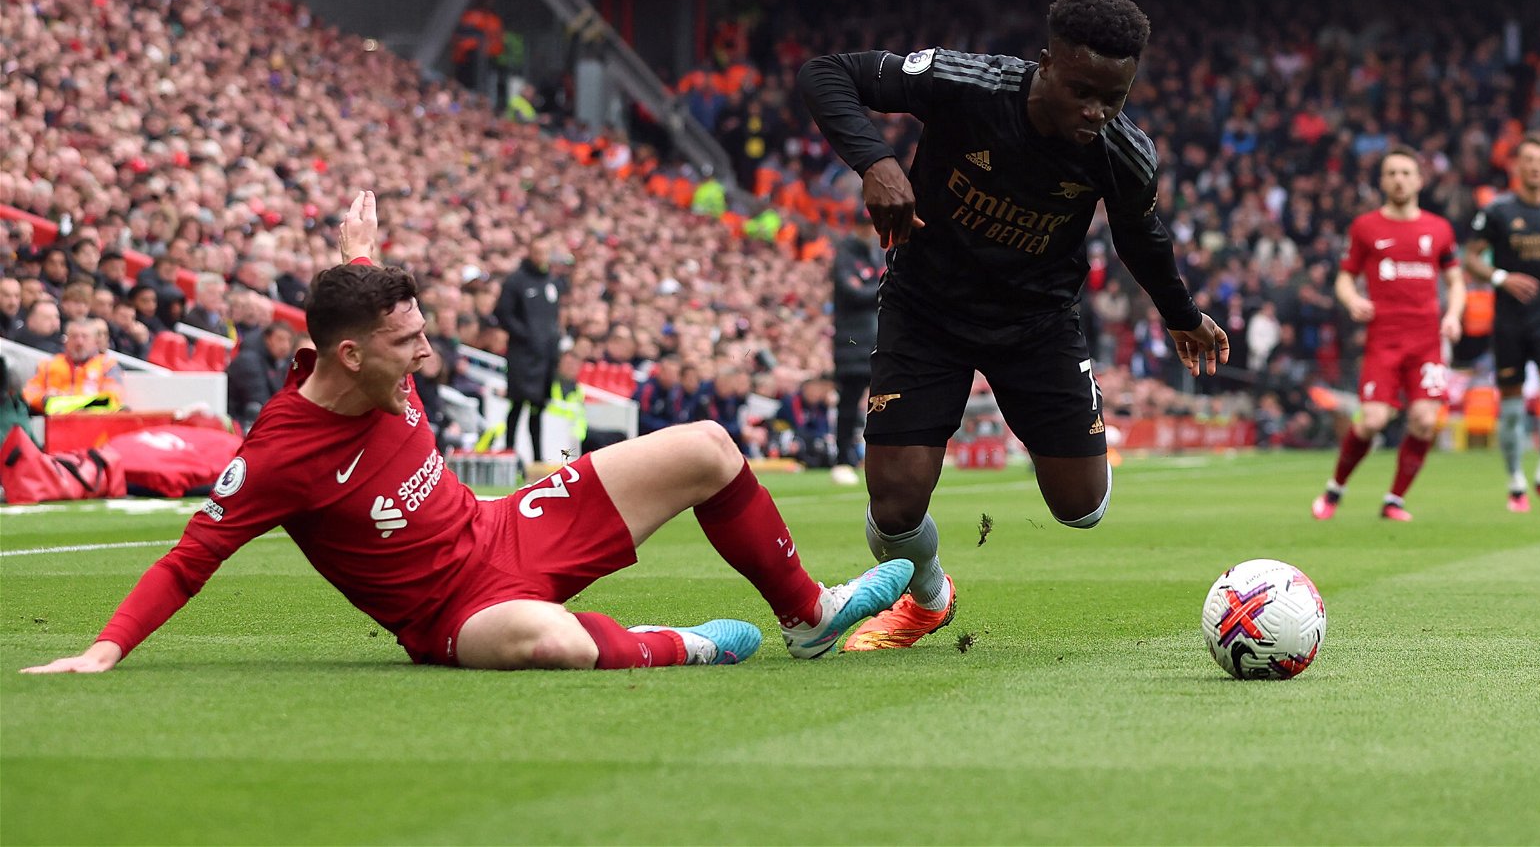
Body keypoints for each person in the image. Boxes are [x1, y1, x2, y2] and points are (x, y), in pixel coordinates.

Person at [21, 192, 913, 676]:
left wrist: (360, 252)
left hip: (502, 525)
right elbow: (189, 558)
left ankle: (810, 615)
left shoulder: (370, 346)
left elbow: (362, 301)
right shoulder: (279, 453)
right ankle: (687, 643)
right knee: (548, 643)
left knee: (711, 447)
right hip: (455, 612)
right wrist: (105, 649)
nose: (426, 354)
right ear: (347, 355)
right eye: (408, 343)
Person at [798, 0, 1228, 650]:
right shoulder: (966, 84)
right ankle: (931, 598)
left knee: (1080, 510)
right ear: (1046, 63)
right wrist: (878, 162)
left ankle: (1074, 413)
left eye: (1114, 98)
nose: (1096, 111)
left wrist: (1183, 314)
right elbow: (826, 73)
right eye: (1082, 89)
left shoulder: (1124, 152)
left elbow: (1138, 235)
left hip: (1037, 324)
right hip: (927, 309)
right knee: (894, 505)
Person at [1312, 148, 1466, 522]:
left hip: (1427, 340)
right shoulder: (1366, 227)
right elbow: (1345, 276)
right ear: (1382, 181)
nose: (1399, 179)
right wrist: (1351, 300)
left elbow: (1456, 279)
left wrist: (1455, 315)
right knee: (1373, 420)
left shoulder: (1438, 228)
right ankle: (1335, 488)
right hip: (1384, 339)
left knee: (1425, 420)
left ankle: (1394, 499)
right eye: (1392, 173)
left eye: (1406, 172)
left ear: (1419, 179)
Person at [1463, 133, 1540, 512]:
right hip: (1510, 322)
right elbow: (1471, 258)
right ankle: (1516, 483)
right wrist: (1501, 278)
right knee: (1513, 410)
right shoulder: (1498, 211)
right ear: (1517, 166)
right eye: (1527, 160)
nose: (1533, 167)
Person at [494, 234, 565, 470]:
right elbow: (503, 314)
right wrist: (527, 336)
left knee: (538, 409)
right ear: (529, 252)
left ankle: (537, 460)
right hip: (522, 356)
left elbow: (553, 318)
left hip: (546, 358)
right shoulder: (516, 281)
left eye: (545, 253)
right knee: (517, 405)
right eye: (537, 252)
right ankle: (509, 455)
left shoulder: (552, 282)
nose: (541, 257)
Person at [830, 207, 882, 486]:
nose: (868, 230)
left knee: (880, 402)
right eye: (863, 226)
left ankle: (873, 456)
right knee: (849, 403)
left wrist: (874, 286)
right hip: (851, 341)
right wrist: (881, 286)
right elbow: (853, 291)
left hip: (875, 339)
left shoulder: (876, 251)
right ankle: (842, 457)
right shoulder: (846, 253)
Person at [22, 317, 125, 414]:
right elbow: (29, 393)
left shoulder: (107, 365)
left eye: (85, 337)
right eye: (74, 336)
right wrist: (45, 398)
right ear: (66, 341)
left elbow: (113, 397)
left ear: (95, 341)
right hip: (55, 423)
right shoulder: (48, 364)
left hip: (94, 424)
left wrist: (72, 400)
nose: (79, 342)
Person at [226, 320, 294, 430]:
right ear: (267, 339)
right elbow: (261, 404)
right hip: (241, 422)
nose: (285, 346)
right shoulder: (248, 361)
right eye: (280, 339)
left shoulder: (282, 363)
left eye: (289, 341)